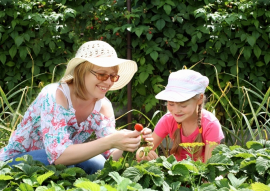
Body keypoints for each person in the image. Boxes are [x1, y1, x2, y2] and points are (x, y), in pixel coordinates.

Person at [0, 40, 153, 174]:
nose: (108, 82)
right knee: (87, 163)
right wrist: (110, 141)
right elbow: (58, 156)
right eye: (102, 74)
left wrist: (130, 143)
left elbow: (111, 157)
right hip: (16, 163)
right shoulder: (54, 95)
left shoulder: (103, 106)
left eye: (113, 76)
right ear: (81, 72)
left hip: (61, 164)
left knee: (99, 163)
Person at [137, 69, 224, 163]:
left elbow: (211, 167)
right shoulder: (168, 120)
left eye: (183, 105)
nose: (176, 110)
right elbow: (142, 153)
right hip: (176, 173)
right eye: (171, 104)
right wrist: (142, 153)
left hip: (201, 175)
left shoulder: (210, 125)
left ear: (200, 98)